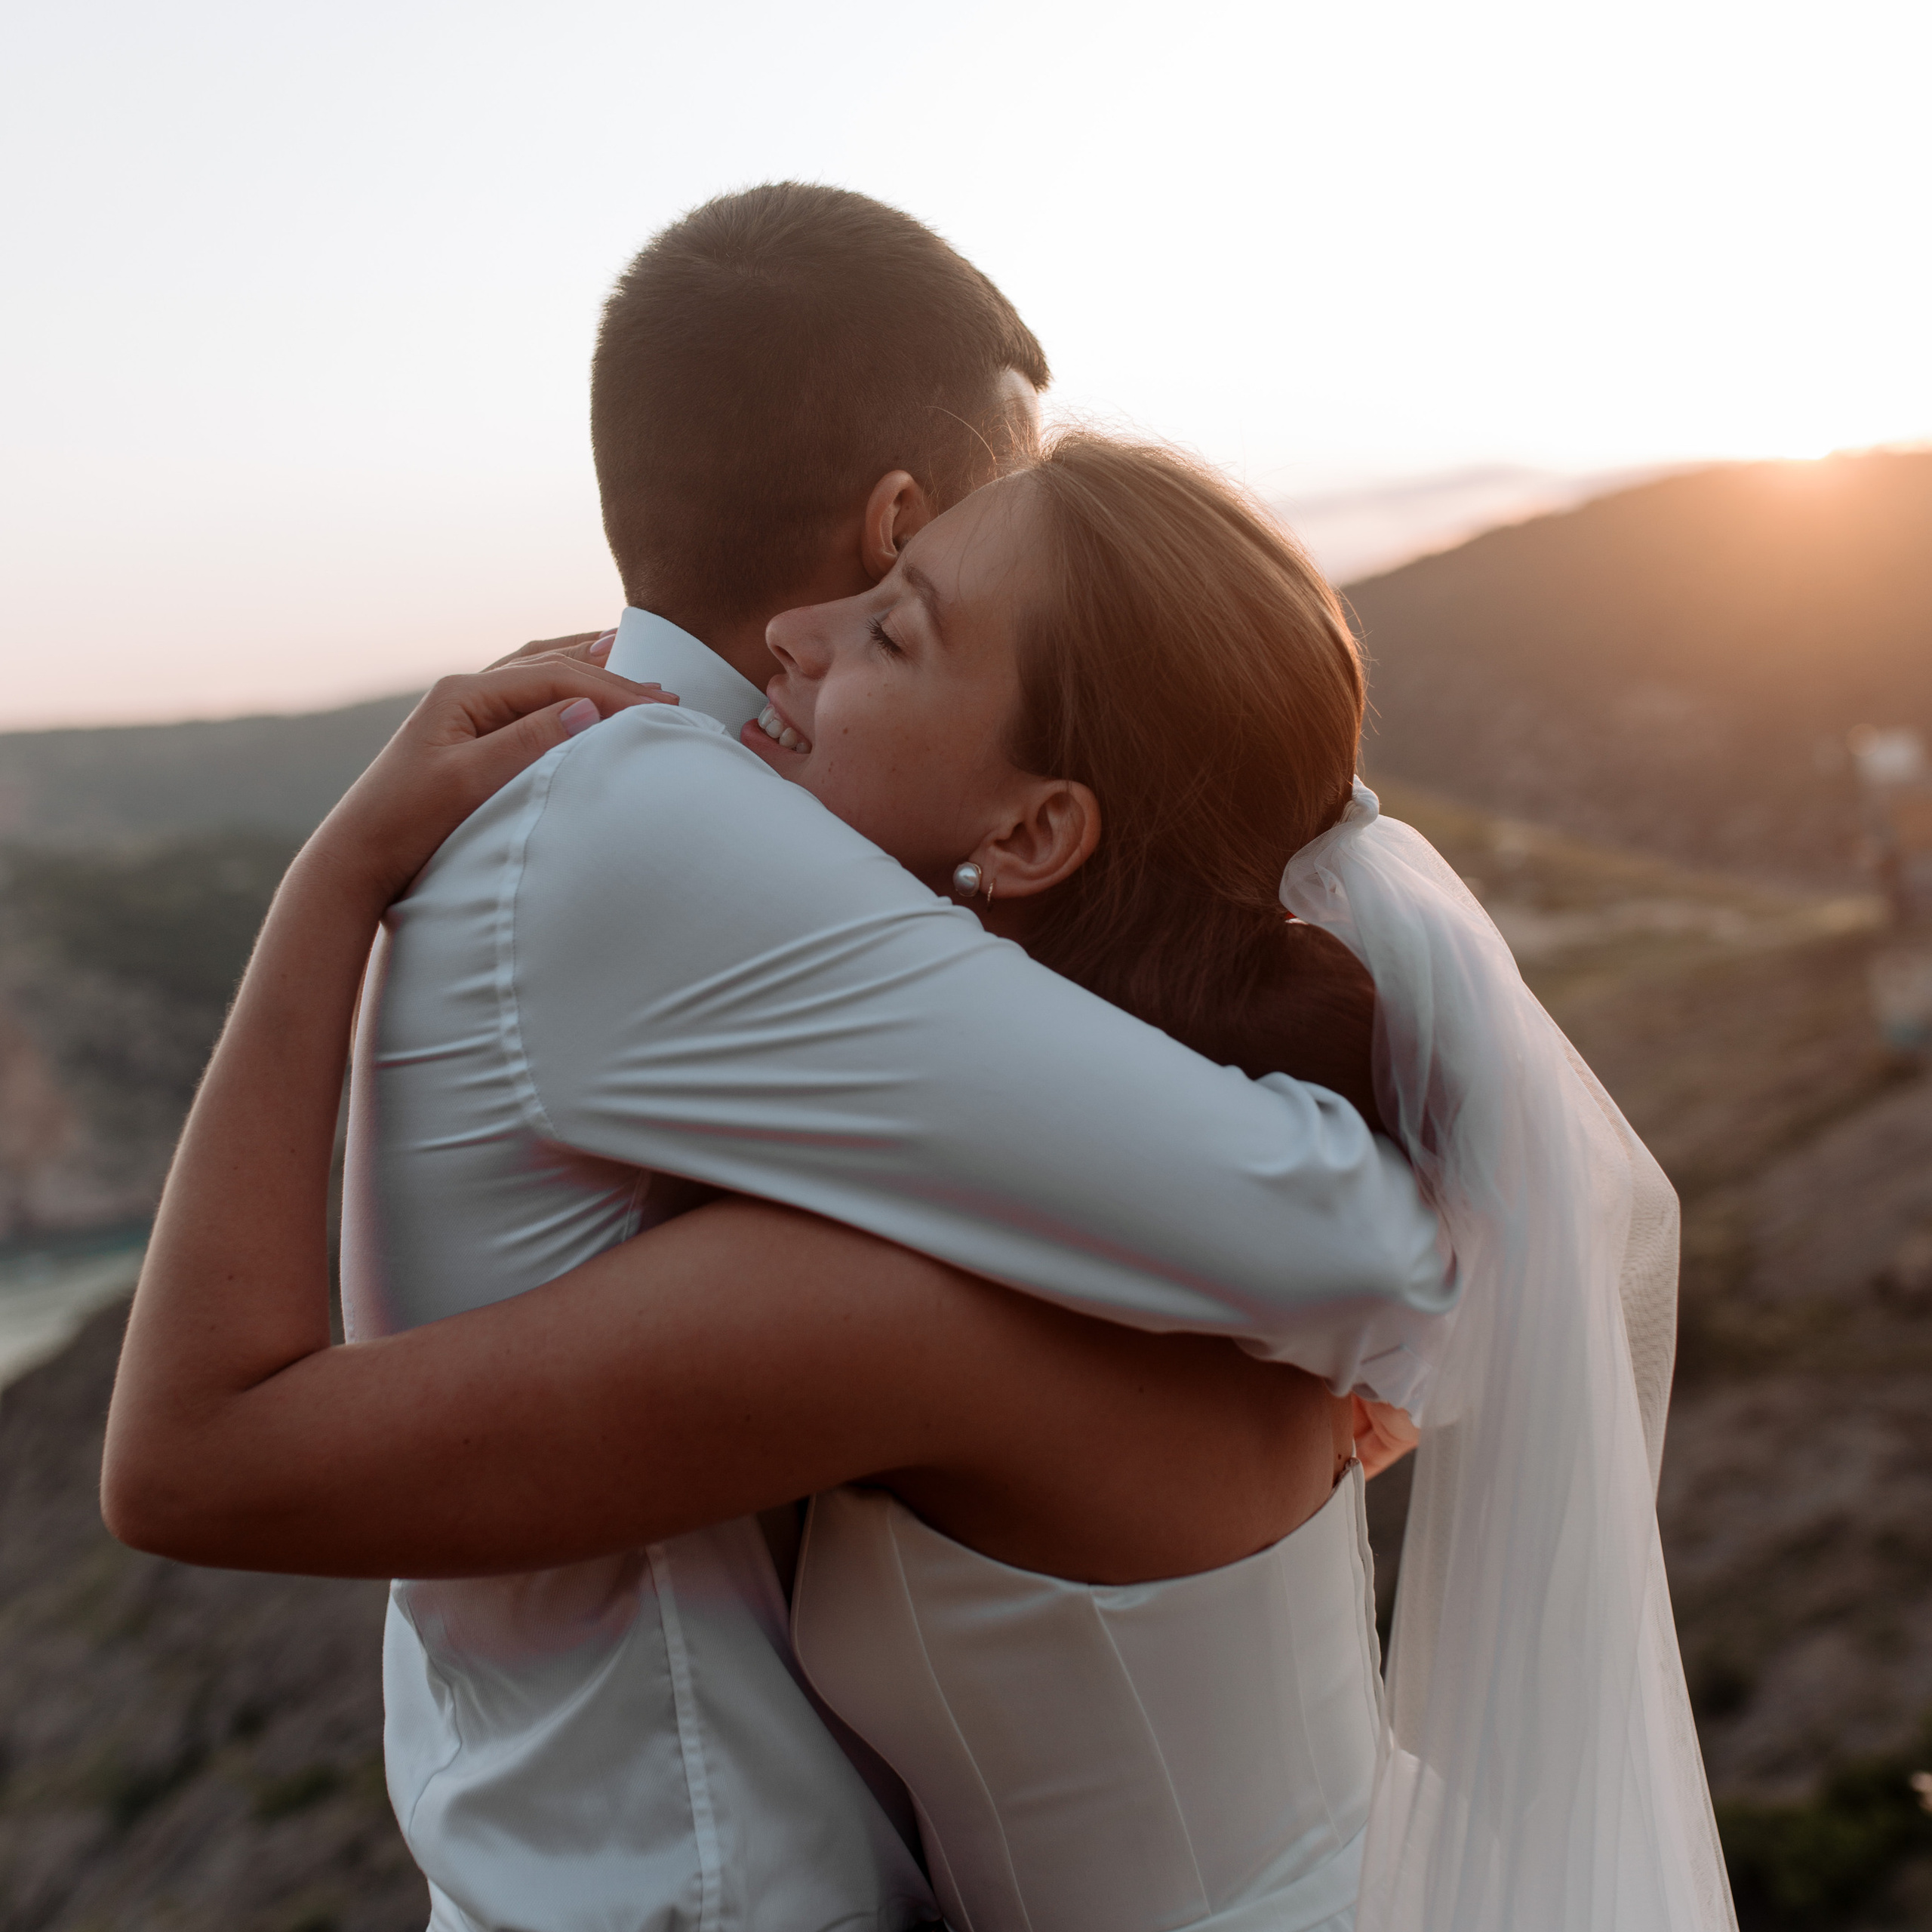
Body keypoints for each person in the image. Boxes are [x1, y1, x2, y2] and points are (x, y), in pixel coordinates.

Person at [107, 429, 1733, 1930]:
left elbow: (195, 1461)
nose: (793, 637)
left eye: (894, 628)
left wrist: (334, 882)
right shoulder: (1198, 1179)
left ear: (1032, 832)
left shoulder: (902, 1297)